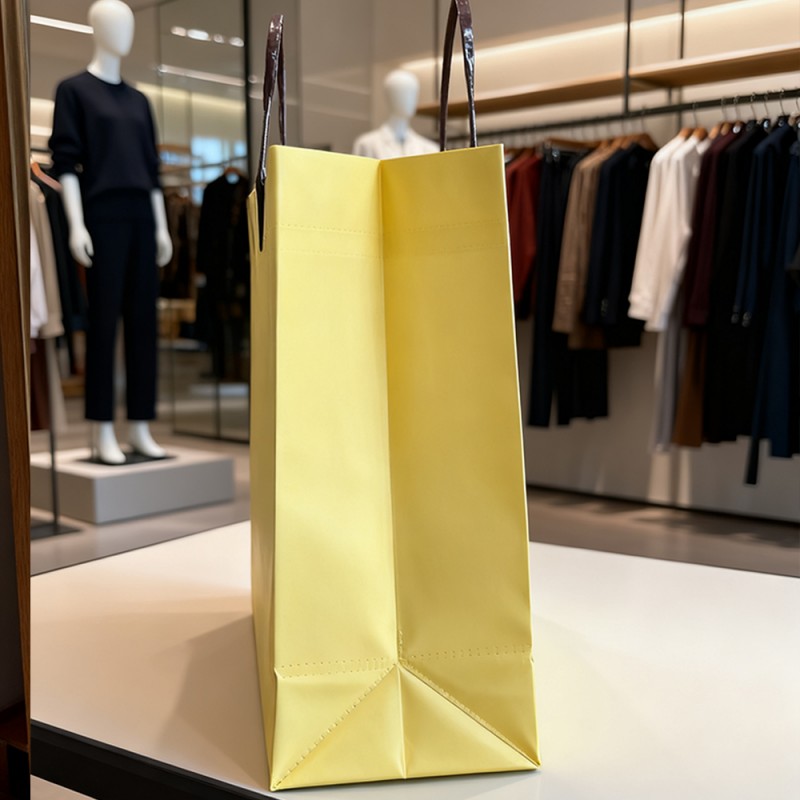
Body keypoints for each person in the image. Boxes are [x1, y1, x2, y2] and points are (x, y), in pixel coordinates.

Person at [50, 0, 172, 464]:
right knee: (103, 323)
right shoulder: (74, 91)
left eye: (129, 24)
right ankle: (101, 429)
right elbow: (67, 164)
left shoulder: (140, 100)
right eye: (115, 24)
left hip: (142, 216)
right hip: (102, 216)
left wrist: (162, 227)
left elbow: (152, 170)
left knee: (143, 324)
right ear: (96, 28)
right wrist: (76, 224)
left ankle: (140, 424)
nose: (125, 32)